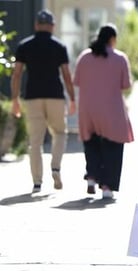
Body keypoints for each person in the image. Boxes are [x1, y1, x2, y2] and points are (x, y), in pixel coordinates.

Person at [11, 9, 76, 193]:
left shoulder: (24, 46)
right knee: (60, 133)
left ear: (36, 25)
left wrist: (15, 99)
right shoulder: (59, 46)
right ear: (52, 26)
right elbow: (66, 75)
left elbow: (16, 75)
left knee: (35, 141)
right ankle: (55, 167)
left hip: (32, 97)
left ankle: (37, 182)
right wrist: (72, 98)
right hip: (55, 96)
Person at [73, 23, 133, 199]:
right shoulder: (120, 58)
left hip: (87, 109)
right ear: (112, 39)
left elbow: (77, 81)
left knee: (91, 143)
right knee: (113, 147)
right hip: (111, 109)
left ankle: (91, 177)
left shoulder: (84, 57)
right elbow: (126, 85)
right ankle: (107, 187)